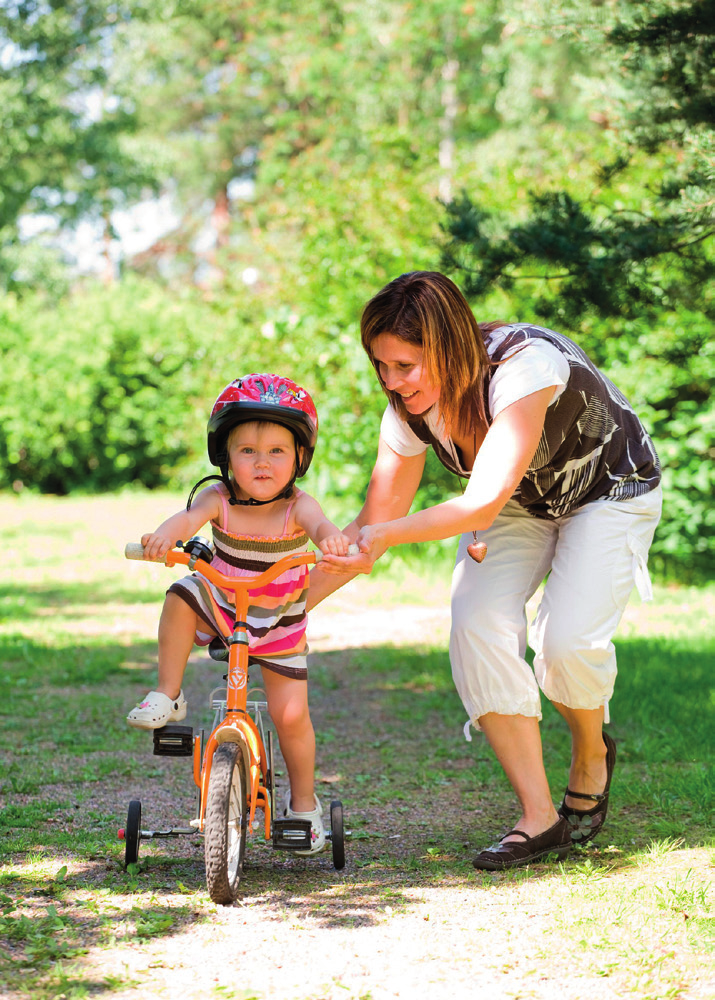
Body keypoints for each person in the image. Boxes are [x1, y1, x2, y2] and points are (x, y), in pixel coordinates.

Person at [314, 271, 662, 870]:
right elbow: (374, 521)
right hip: (521, 505)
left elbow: (478, 502)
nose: (391, 384)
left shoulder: (524, 367)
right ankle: (539, 817)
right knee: (475, 622)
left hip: (607, 490)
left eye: (405, 365)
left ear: (447, 349)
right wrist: (281, 607)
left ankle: (590, 749)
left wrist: (382, 535)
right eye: (382, 367)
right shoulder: (407, 413)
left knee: (568, 643)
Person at [126, 373, 350, 854]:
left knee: (292, 716)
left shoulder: (298, 506)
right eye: (247, 450)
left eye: (276, 451)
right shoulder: (218, 500)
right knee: (182, 594)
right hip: (225, 604)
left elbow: (323, 526)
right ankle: (169, 693)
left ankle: (305, 806)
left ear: (299, 459)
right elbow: (186, 521)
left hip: (280, 620)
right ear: (226, 458)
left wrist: (331, 540)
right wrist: (164, 536)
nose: (262, 462)